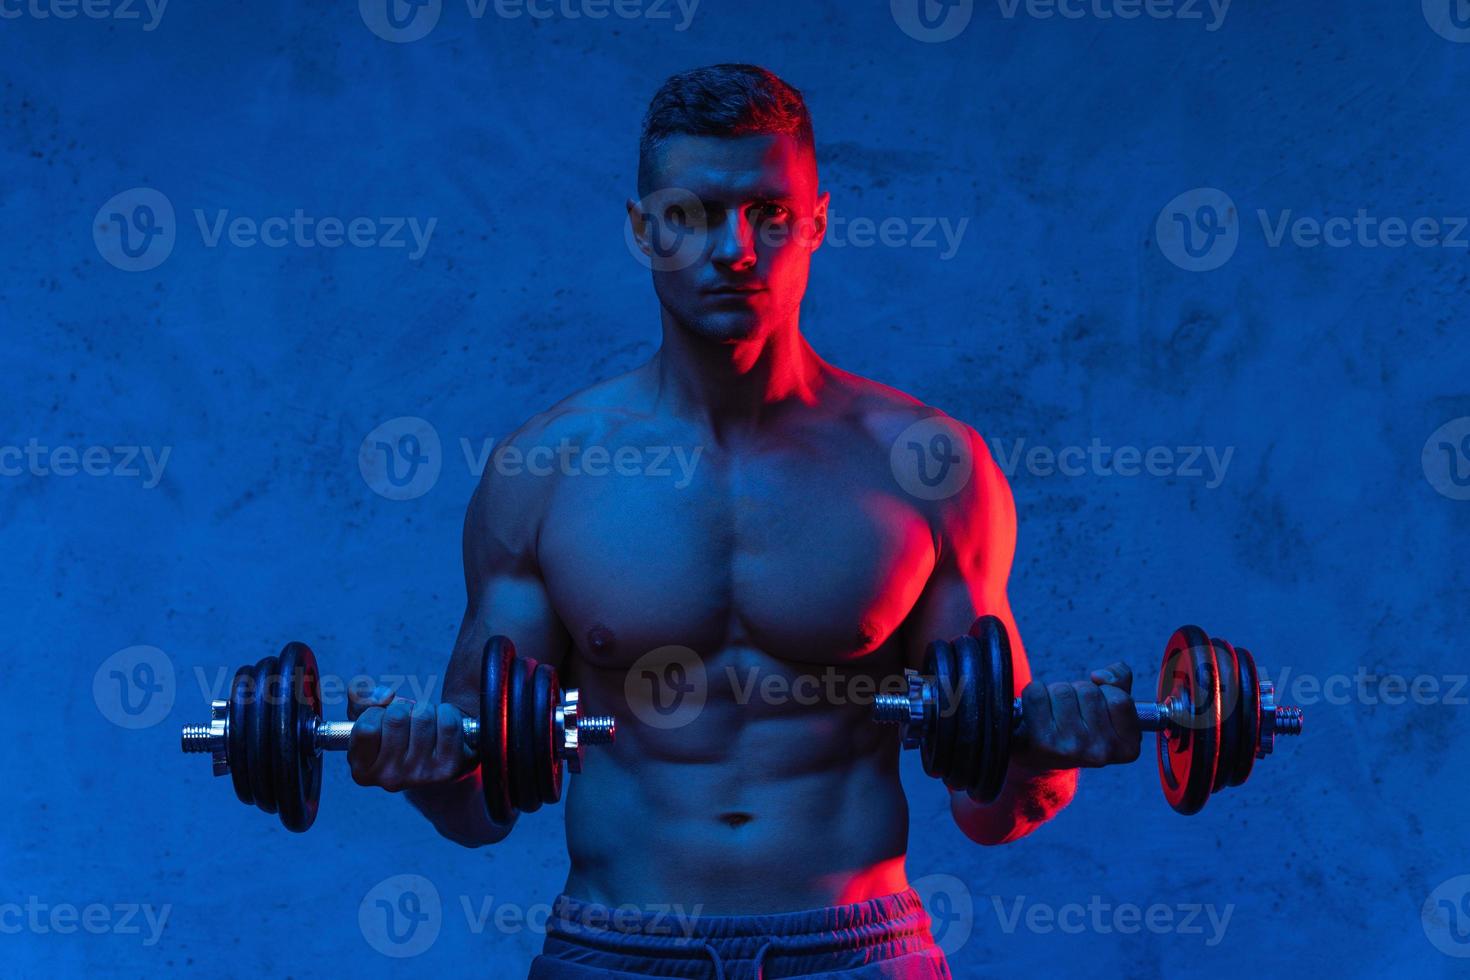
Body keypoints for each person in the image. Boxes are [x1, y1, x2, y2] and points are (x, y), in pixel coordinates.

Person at [347, 63, 1141, 978]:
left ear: (817, 221)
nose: (734, 249)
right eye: (692, 215)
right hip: (618, 951)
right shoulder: (546, 470)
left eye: (769, 213)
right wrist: (415, 763)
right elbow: (481, 805)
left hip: (856, 949)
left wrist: (1056, 753)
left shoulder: (928, 467)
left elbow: (995, 807)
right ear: (644, 231)